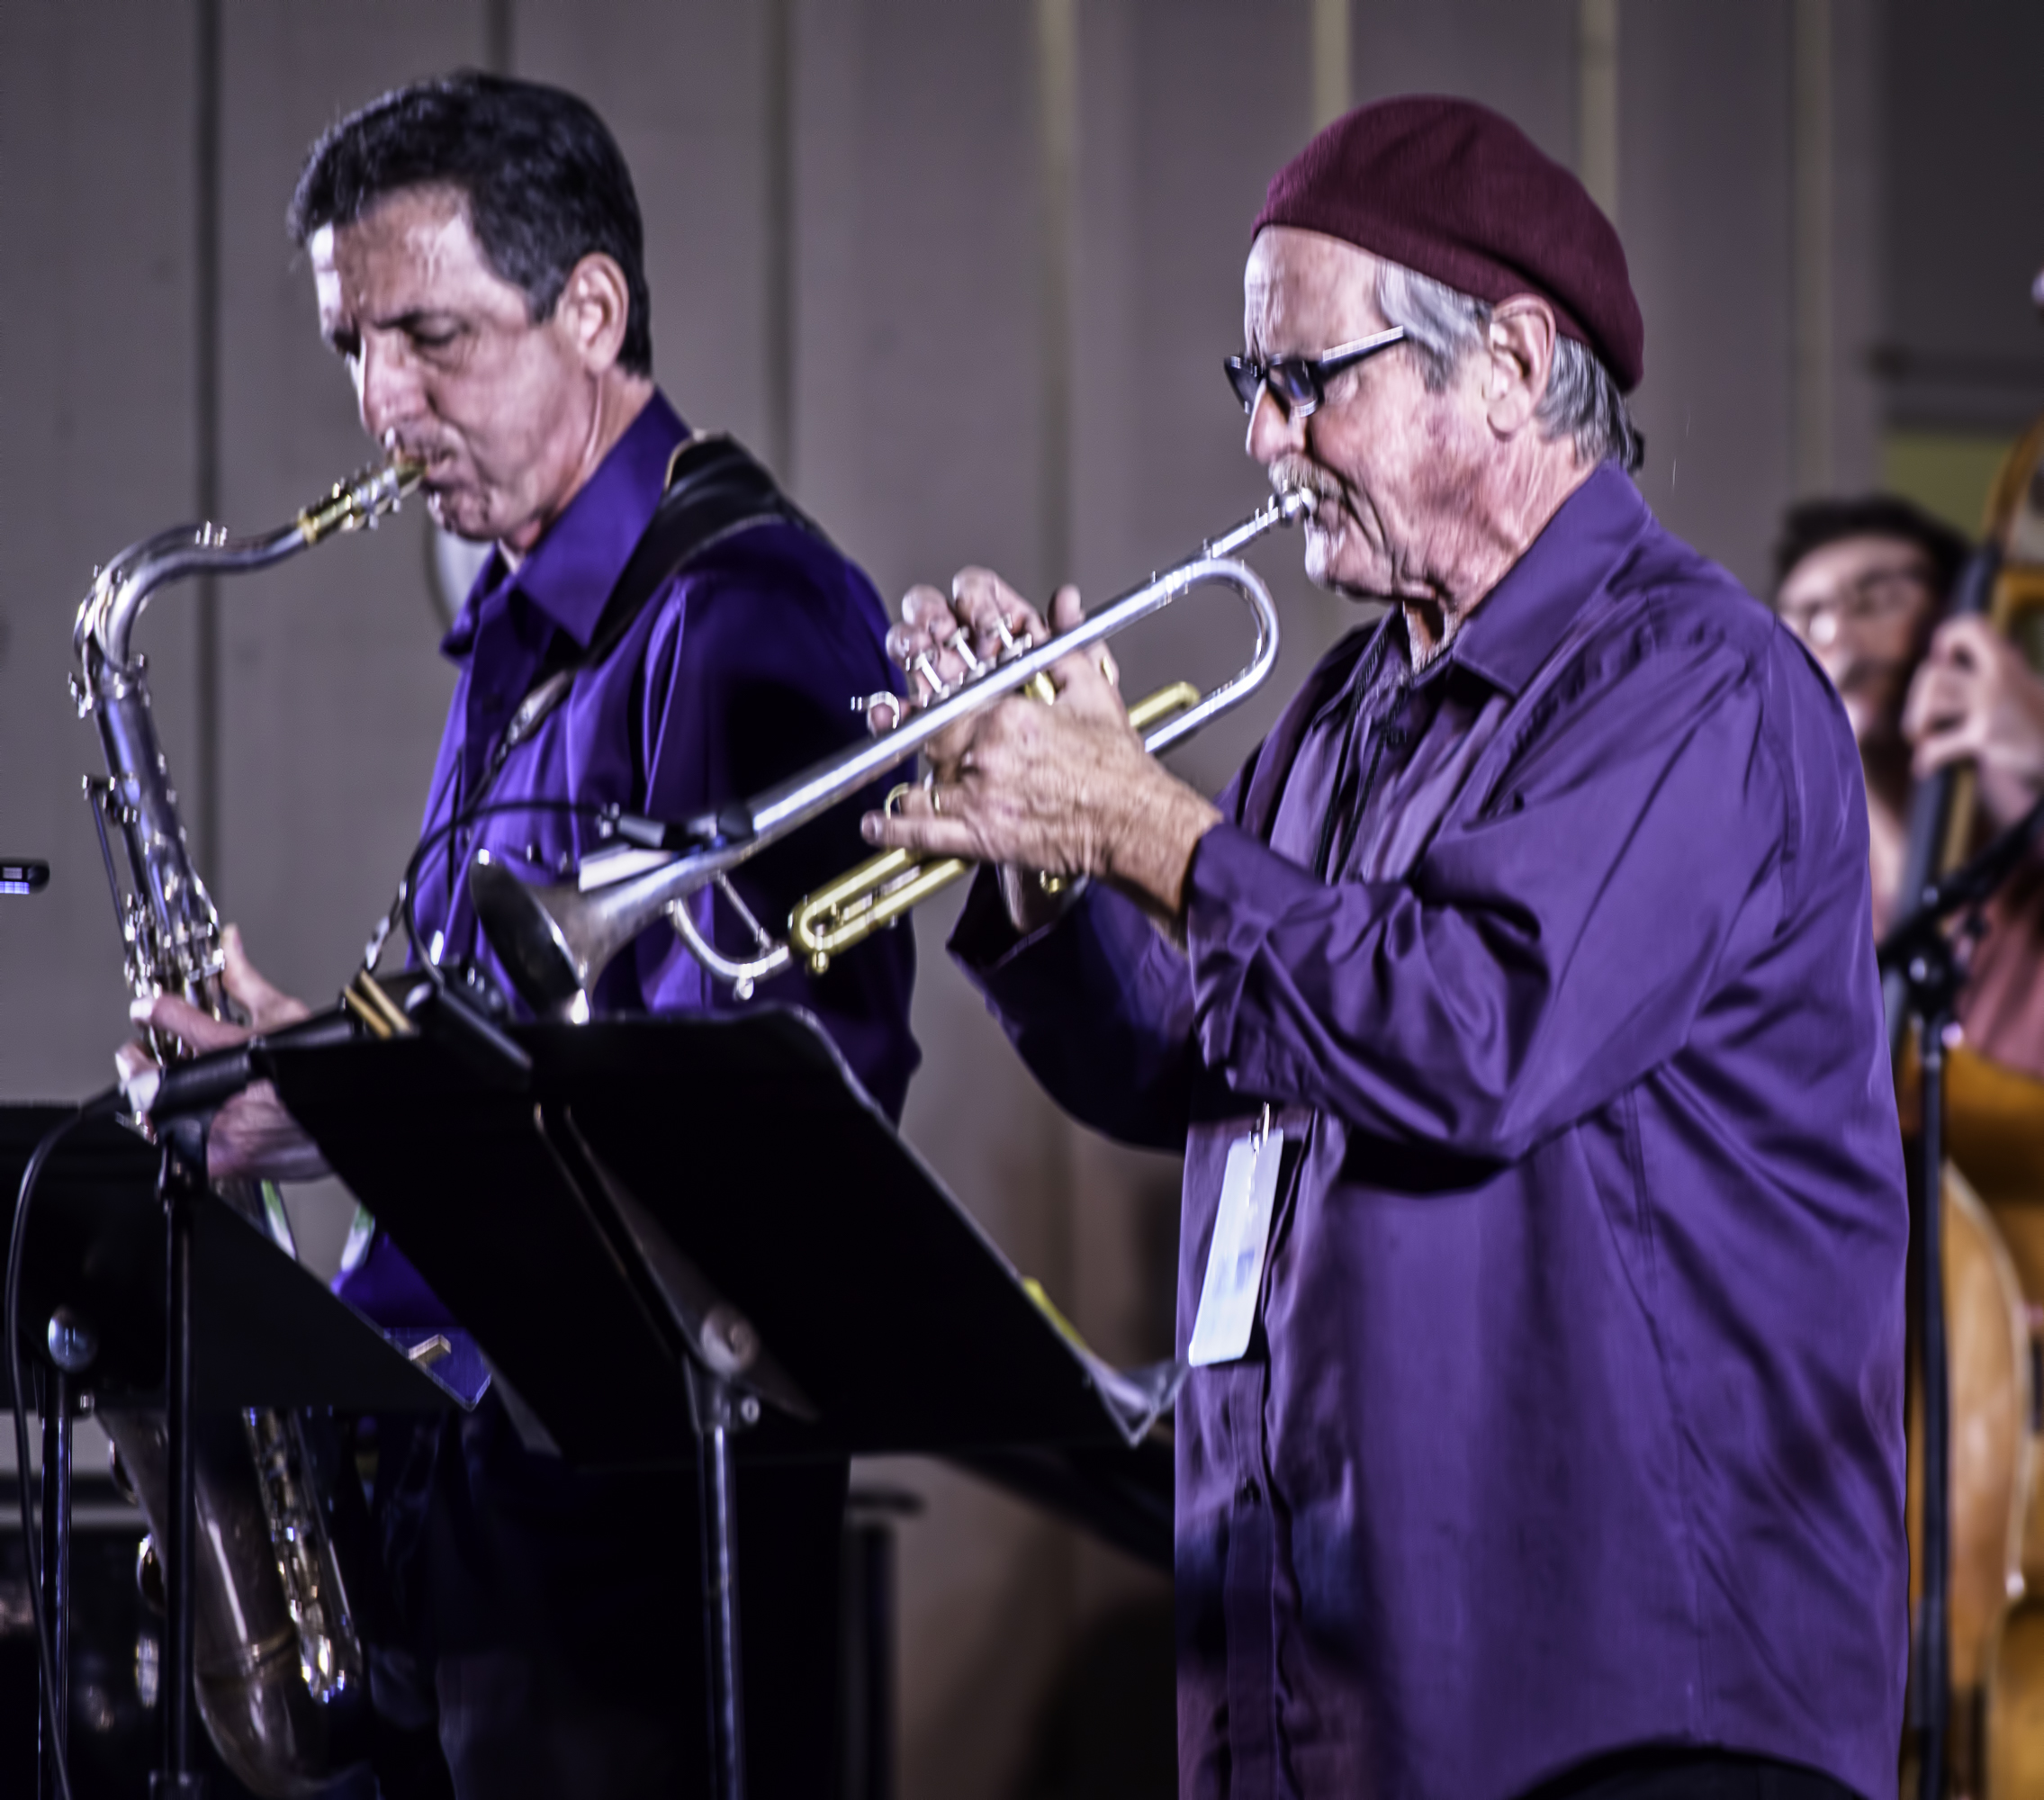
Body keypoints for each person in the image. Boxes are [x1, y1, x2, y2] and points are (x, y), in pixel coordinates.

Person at [865, 98, 1905, 1800]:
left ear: (1504, 365)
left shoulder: (1695, 686)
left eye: (1305, 381)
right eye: (1249, 388)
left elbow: (1469, 1033)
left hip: (1627, 1712)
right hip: (1340, 1693)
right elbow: (1201, 1065)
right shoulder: (1349, 712)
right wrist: (1053, 860)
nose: (1267, 444)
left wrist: (1141, 822)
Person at [119, 73, 916, 1800]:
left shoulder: (749, 616)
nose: (382, 404)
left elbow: (746, 1139)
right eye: (353, 345)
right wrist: (300, 1063)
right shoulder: (517, 624)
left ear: (594, 311)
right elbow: (484, 1034)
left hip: (616, 1541)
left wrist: (346, 1109)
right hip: (469, 1504)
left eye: (430, 339)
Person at [1776, 494, 2044, 1076]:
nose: (1836, 631)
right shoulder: (1778, 914)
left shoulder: (2030, 864)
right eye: (1804, 615)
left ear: (1963, 627)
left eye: (1877, 598)